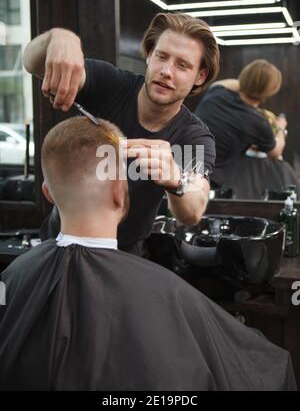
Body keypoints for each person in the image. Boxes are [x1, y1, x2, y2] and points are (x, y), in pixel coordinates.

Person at [0, 116, 296, 390]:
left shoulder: (12, 275)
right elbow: (262, 371)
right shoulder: (164, 293)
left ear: (47, 192)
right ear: (120, 191)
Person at [23, 13, 219, 256]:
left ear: (199, 76)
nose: (167, 71)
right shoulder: (110, 85)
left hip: (124, 254)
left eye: (182, 65)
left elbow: (192, 212)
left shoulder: (193, 136)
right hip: (61, 242)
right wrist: (59, 39)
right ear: (149, 55)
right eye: (161, 56)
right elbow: (32, 63)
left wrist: (176, 179)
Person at [194, 59, 285, 189]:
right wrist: (281, 127)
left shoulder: (217, 93)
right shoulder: (258, 123)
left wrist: (248, 83)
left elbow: (228, 84)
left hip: (180, 163)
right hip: (206, 183)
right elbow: (276, 152)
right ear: (271, 91)